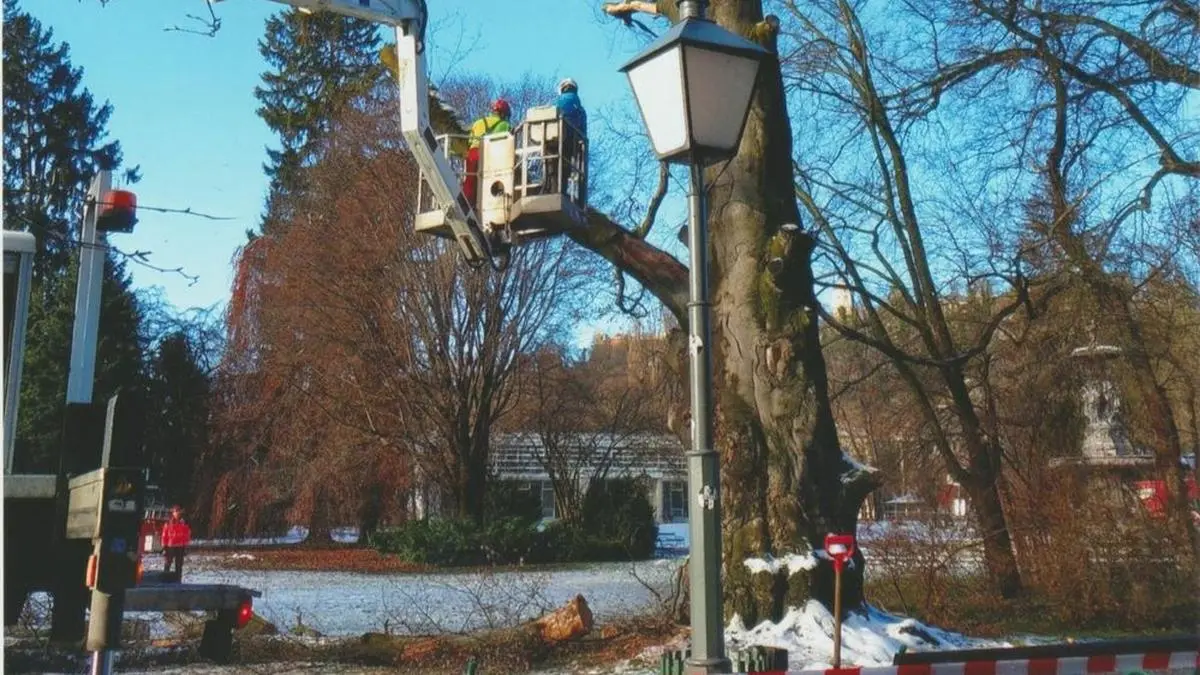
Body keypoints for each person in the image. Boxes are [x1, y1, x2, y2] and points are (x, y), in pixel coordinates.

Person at [464, 98, 512, 208]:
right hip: (490, 153)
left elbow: (470, 141)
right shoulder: (504, 125)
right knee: (493, 178)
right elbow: (506, 142)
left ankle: (467, 203)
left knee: (470, 180)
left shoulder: (478, 122)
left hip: (473, 152)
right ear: (503, 113)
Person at [161, 505, 192, 582]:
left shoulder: (184, 523)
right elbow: (164, 535)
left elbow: (187, 535)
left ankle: (178, 580)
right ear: (173, 513)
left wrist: (186, 546)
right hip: (170, 546)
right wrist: (164, 547)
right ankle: (165, 580)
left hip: (180, 546)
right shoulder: (168, 523)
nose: (177, 513)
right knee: (167, 563)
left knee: (179, 565)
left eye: (179, 511)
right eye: (176, 512)